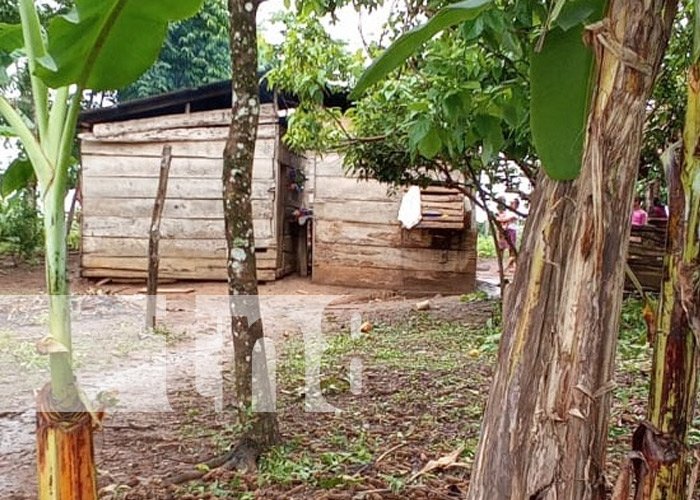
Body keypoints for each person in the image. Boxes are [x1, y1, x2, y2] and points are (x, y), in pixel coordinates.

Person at [497, 198, 519, 273]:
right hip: (505, 231)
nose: (511, 204)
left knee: (511, 249)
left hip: (511, 231)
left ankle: (509, 267)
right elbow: (501, 218)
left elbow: (503, 220)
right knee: (501, 248)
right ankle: (504, 267)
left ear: (516, 205)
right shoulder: (508, 212)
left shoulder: (515, 214)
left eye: (512, 203)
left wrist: (500, 219)